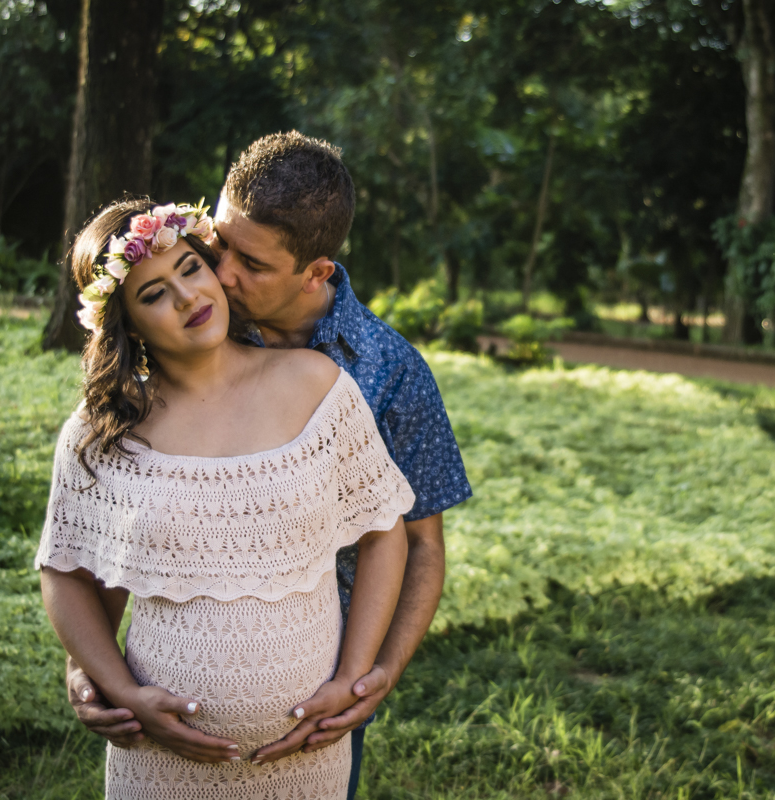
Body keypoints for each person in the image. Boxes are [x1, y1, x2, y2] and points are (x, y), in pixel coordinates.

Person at [65, 132, 473, 797]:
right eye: (218, 243)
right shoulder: (192, 323)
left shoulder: (388, 372)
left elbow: (419, 542)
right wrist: (89, 666)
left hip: (321, 692)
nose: (219, 273)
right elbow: (127, 525)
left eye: (248, 264)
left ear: (315, 272)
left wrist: (375, 674)